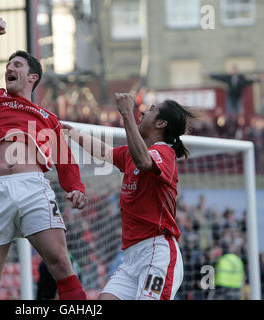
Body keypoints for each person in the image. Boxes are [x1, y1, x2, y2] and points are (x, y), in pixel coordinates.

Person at [0, 17, 87, 300]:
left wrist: (75, 188)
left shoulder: (48, 118)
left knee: (61, 264)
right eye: (8, 65)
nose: (9, 68)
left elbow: (65, 159)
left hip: (33, 188)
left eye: (17, 65)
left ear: (33, 77)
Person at [63, 93, 195, 300]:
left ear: (161, 123)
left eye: (151, 110)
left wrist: (127, 114)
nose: (143, 112)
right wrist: (72, 133)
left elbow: (144, 161)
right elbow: (105, 152)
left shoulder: (164, 154)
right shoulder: (131, 155)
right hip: (132, 256)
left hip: (157, 253)